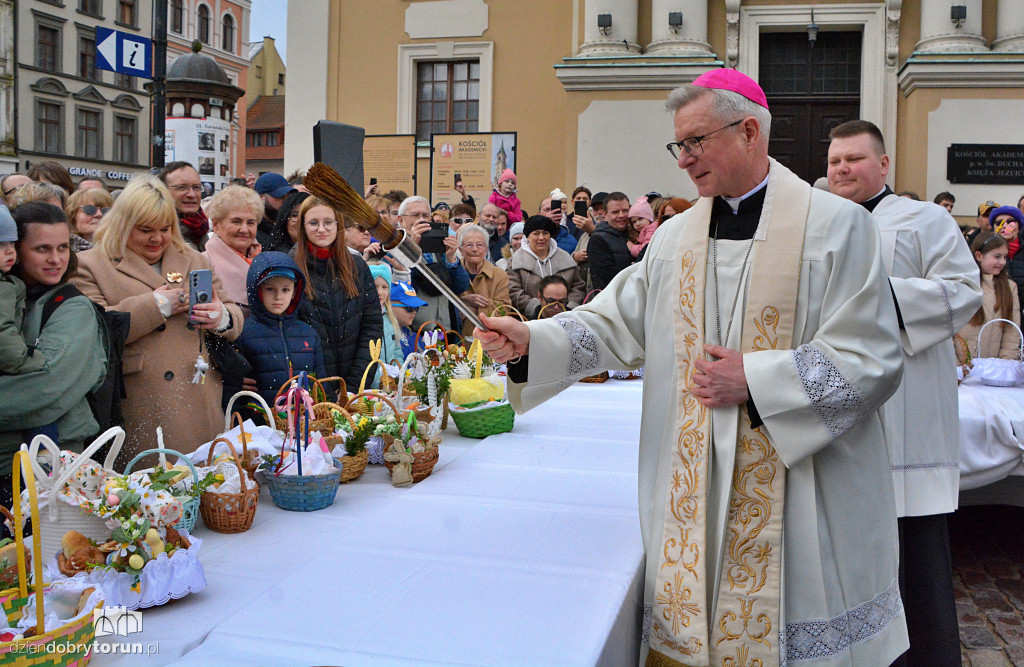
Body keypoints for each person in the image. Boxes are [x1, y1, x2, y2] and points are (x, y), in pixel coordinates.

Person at [477, 69, 909, 666]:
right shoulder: (675, 237)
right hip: (692, 474)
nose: (683, 160)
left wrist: (757, 379)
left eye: (695, 142)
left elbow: (872, 355)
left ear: (749, 131)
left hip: (800, 484)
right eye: (677, 145)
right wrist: (531, 340)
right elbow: (616, 323)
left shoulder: (839, 227)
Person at [828, 119, 981, 667]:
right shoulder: (821, 225)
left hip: (906, 410)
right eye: (834, 161)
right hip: (840, 409)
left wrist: (872, 298)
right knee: (847, 556)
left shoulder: (925, 219)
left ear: (884, 164)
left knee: (915, 556)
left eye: (854, 158)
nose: (842, 169)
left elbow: (962, 290)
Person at [75, 176, 243, 466]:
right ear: (123, 225)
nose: (157, 239)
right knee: (154, 485)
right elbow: (95, 329)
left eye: (165, 229)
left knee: (205, 481)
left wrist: (220, 317)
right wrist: (157, 306)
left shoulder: (194, 258)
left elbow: (232, 313)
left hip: (199, 395)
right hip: (142, 402)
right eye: (145, 230)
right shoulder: (90, 264)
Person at [0, 202, 106, 470]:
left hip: (45, 465)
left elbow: (45, 389)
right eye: (42, 249)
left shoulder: (72, 308)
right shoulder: (9, 294)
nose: (56, 259)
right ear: (15, 250)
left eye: (63, 247)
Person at [293, 196, 383, 396]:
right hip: (311, 387)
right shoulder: (291, 267)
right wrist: (320, 390)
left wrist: (354, 386)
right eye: (313, 223)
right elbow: (291, 335)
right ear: (303, 227)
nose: (321, 229)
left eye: (328, 222)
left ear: (338, 225)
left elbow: (372, 326)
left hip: (354, 386)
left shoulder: (357, 267)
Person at [229, 251, 325, 407]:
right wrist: (235, 384)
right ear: (257, 290)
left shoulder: (308, 334)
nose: (278, 296)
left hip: (304, 418)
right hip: (260, 418)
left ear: (295, 292)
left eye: (285, 289)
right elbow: (231, 388)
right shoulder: (242, 333)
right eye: (270, 289)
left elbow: (321, 385)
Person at [396, 196, 469, 332]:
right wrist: (413, 247)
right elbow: (401, 288)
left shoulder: (439, 244)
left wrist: (451, 258)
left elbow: (461, 287)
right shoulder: (393, 248)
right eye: (415, 215)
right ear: (400, 220)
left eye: (425, 215)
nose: (421, 220)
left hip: (446, 327)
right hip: (413, 329)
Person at [506, 215, 585, 319]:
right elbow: (513, 290)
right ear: (528, 236)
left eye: (545, 233)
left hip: (564, 318)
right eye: (536, 233)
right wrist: (536, 309)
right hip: (529, 320)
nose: (541, 238)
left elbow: (578, 287)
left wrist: (568, 307)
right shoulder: (516, 261)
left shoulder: (565, 258)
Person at [958, 232, 1020, 360]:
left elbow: (1011, 332)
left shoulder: (1009, 287)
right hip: (963, 365)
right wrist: (956, 365)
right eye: (997, 256)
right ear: (979, 256)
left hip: (995, 366)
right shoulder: (961, 284)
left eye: (1005, 257)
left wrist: (1005, 363)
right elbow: (949, 329)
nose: (1002, 262)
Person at [202, 185, 264, 314]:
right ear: (216, 225)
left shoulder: (264, 261)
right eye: (236, 221)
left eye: (251, 223)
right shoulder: (202, 263)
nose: (244, 229)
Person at [0, 205, 46, 376]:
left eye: (12, 242)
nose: (10, 251)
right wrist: (26, 360)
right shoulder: (3, 287)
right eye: (1, 244)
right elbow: (2, 332)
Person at [457, 224, 510, 338]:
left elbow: (504, 309)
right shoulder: (453, 272)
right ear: (461, 250)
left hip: (489, 337)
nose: (475, 249)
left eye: (480, 245)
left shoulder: (499, 275)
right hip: (458, 339)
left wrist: (471, 309)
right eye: (469, 245)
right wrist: (465, 302)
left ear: (486, 250)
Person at [158, 161, 209, 252]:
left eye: (196, 187)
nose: (191, 194)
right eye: (182, 187)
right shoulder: (159, 233)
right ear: (164, 191)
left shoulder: (201, 227)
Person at [587, 191, 633, 290]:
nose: (621, 215)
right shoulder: (598, 240)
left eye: (625, 211)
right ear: (605, 214)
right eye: (615, 212)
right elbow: (609, 277)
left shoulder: (637, 235)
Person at [370, 263, 403, 366]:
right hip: (371, 375)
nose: (380, 292)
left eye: (384, 287)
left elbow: (397, 352)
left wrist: (398, 371)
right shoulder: (360, 317)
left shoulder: (390, 318)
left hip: (390, 375)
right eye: (375, 287)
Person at [254, 173, 296, 248]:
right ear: (261, 198)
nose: (285, 201)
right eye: (280, 196)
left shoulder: (289, 227)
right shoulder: (252, 232)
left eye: (288, 196)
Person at [65, 188, 113, 253]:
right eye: (90, 209)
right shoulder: (62, 250)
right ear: (72, 215)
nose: (99, 214)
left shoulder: (120, 252)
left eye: (106, 210)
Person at [391, 281, 426, 358]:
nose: (414, 312)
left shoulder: (415, 337)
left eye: (416, 308)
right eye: (409, 308)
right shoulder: (383, 336)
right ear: (389, 306)